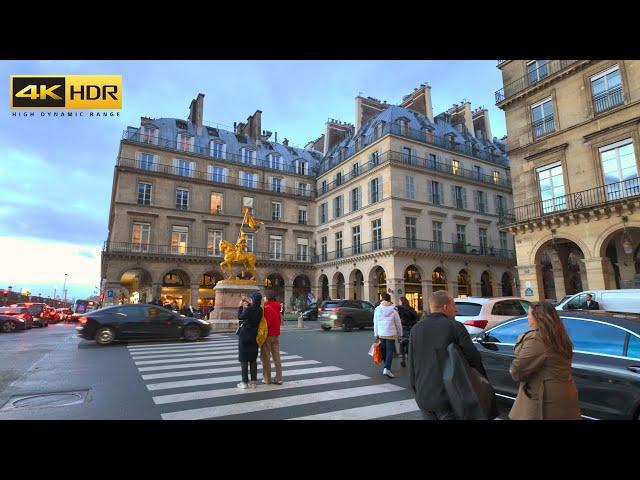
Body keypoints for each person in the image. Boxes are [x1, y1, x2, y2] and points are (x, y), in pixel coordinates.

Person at [408, 290, 487, 420]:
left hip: (424, 396)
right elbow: (473, 358)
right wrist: (482, 383)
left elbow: (411, 363)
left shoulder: (416, 328)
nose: (456, 310)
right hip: (449, 397)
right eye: (454, 305)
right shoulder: (455, 326)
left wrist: (416, 391)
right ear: (445, 306)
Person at [509, 301, 581, 420]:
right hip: (564, 392)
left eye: (529, 315)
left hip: (543, 399)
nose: (527, 318)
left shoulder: (537, 338)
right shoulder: (559, 335)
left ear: (537, 317)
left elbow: (518, 370)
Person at [373, 293, 403, 378]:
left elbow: (375, 322)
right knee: (390, 351)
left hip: (381, 333)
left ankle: (386, 366)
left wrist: (376, 333)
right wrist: (400, 334)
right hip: (391, 333)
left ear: (382, 299)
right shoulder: (394, 310)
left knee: (384, 350)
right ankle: (387, 368)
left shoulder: (377, 309)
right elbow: (398, 323)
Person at [237, 291, 263, 389]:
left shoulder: (248, 309)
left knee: (244, 359)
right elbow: (253, 308)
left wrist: (240, 306)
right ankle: (253, 382)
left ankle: (244, 382)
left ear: (252, 299)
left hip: (245, 336)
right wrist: (248, 302)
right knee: (253, 359)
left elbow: (240, 317)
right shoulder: (260, 309)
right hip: (254, 336)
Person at [261, 292, 284, 385]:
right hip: (276, 335)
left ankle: (267, 378)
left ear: (267, 298)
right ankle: (279, 378)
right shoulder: (278, 306)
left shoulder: (266, 307)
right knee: (277, 357)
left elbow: (267, 322)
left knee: (266, 357)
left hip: (268, 335)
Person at [396, 296, 419, 367]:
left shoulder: (400, 310)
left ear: (402, 302)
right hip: (411, 329)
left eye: (399, 301)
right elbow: (416, 318)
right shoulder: (411, 309)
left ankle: (403, 360)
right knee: (409, 345)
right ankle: (410, 360)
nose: (398, 302)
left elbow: (398, 320)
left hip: (403, 329)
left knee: (402, 345)